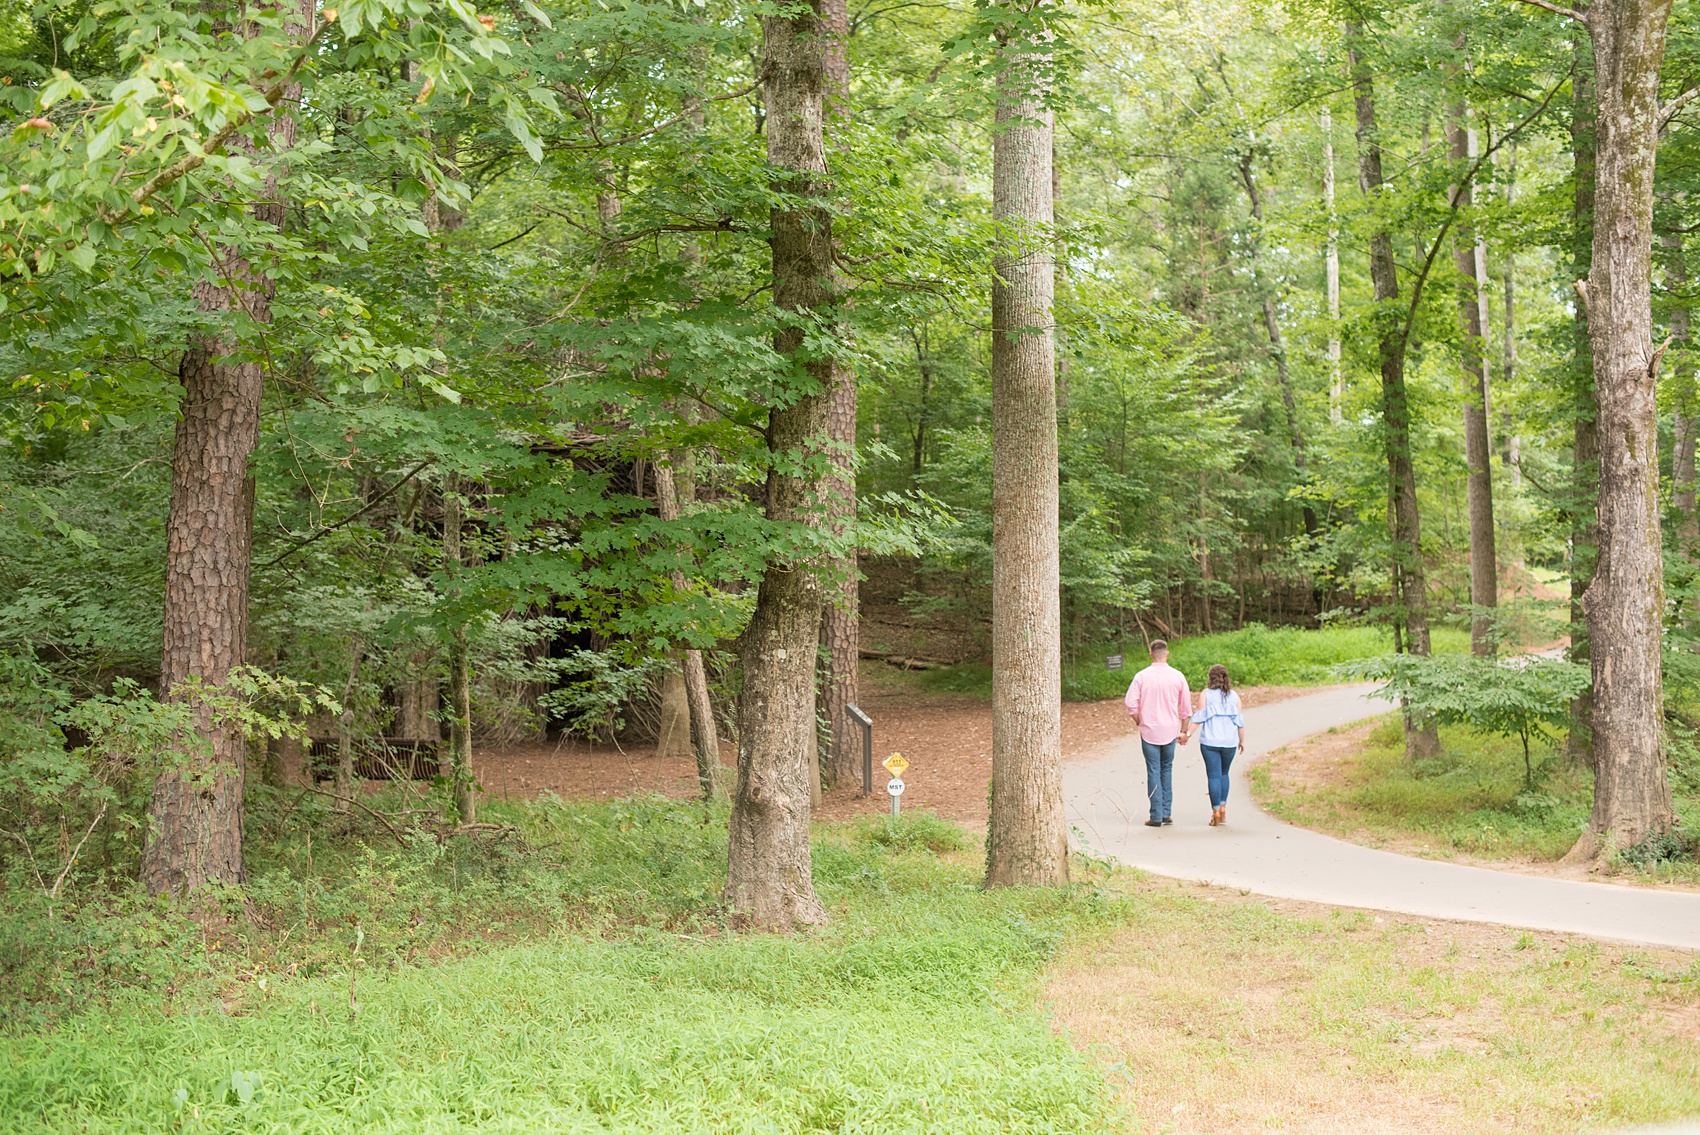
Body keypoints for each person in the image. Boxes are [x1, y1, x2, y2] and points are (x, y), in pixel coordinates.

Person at [1124, 640, 1192, 827]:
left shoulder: (1142, 676)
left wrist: (1139, 720)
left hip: (1149, 730)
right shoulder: (1178, 677)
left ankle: (1155, 814)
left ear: (1150, 654)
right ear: (1167, 654)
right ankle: (1166, 813)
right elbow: (1186, 708)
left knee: (1153, 769)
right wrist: (1184, 730)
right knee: (1166, 769)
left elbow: (1131, 703)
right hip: (1170, 729)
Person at [1191, 663, 1246, 827]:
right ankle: (1223, 808)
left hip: (1210, 741)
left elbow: (1199, 717)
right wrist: (1241, 741)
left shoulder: (1206, 694)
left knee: (1213, 776)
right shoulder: (1234, 696)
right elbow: (1240, 722)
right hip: (1229, 742)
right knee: (1224, 774)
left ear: (1210, 678)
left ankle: (1215, 811)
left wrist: (1187, 734)